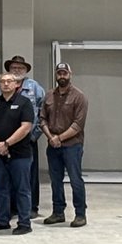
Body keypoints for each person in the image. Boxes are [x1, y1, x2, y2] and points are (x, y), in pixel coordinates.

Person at [0, 72, 35, 234]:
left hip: (20, 155)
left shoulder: (24, 103)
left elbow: (26, 127)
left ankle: (24, 223)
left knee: (22, 189)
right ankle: (2, 220)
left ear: (16, 84)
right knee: (1, 188)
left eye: (9, 81)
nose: (5, 84)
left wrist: (6, 143)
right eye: (2, 81)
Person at [40, 62, 89, 228]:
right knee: (55, 180)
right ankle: (58, 212)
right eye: (59, 73)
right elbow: (42, 119)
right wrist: (50, 137)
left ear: (70, 74)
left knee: (75, 179)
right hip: (52, 145)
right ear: (55, 75)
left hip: (72, 145)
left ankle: (80, 214)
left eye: (64, 73)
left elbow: (78, 125)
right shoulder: (48, 96)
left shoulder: (79, 96)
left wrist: (59, 138)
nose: (62, 76)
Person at [5, 55, 46, 219]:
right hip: (6, 141)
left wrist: (34, 135)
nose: (16, 71)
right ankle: (12, 207)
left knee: (30, 174)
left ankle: (31, 207)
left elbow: (43, 112)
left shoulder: (35, 88)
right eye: (14, 68)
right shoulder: (1, 87)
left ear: (25, 70)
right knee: (9, 174)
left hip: (27, 140)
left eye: (20, 68)